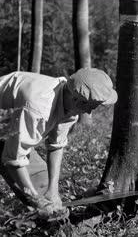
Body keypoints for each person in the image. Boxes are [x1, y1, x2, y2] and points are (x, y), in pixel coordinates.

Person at [0, 68, 117, 211]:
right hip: (6, 124)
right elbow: (14, 159)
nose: (89, 112)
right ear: (77, 100)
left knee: (41, 184)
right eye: (90, 107)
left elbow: (56, 145)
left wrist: (52, 192)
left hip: (9, 125)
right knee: (32, 192)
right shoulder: (38, 108)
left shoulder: (70, 103)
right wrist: (36, 200)